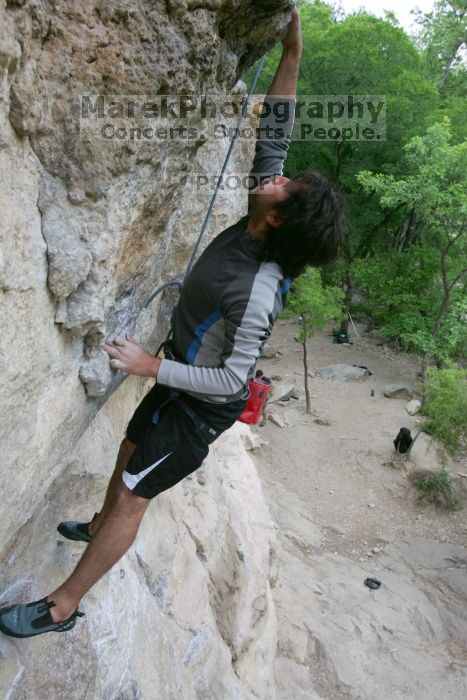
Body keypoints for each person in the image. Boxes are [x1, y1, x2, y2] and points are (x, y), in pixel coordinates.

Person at [0, 9, 344, 638]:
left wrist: (152, 365)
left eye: (285, 187)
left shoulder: (258, 290)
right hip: (175, 379)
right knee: (129, 453)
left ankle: (62, 607)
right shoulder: (264, 210)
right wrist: (292, 48)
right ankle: (100, 526)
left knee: (135, 493)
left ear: (276, 218)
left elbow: (234, 384)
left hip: (198, 409)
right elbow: (278, 123)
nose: (277, 178)